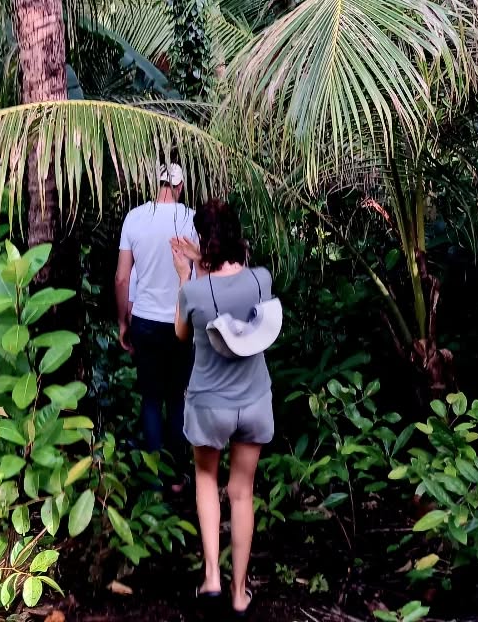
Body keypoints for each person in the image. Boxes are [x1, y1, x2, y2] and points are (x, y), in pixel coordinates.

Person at [172, 200, 273, 616]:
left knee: (207, 480)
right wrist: (208, 256)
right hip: (253, 402)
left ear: (203, 240)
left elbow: (180, 334)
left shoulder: (195, 291)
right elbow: (239, 272)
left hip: (209, 405)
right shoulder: (262, 280)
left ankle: (212, 579)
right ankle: (239, 594)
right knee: (242, 493)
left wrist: (188, 272)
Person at [114, 163, 198, 472]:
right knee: (176, 398)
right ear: (180, 186)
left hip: (145, 322)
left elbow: (122, 279)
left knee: (151, 399)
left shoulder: (135, 218)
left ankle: (153, 479)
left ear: (156, 183)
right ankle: (176, 476)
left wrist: (124, 322)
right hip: (179, 322)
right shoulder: (189, 219)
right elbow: (199, 274)